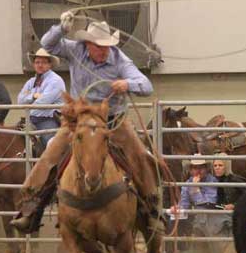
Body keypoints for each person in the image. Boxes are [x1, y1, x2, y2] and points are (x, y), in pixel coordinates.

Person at [11, 12, 159, 235]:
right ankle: (30, 208)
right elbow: (47, 45)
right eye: (98, 46)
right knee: (50, 155)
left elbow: (146, 85)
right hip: (77, 121)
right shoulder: (75, 50)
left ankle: (153, 211)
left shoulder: (119, 59)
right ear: (87, 44)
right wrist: (61, 28)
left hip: (112, 121)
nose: (103, 50)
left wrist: (128, 84)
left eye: (106, 46)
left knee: (139, 155)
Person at [17, 48, 65, 146]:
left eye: (43, 62)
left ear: (50, 64)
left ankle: (53, 161)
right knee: (14, 139)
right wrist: (33, 96)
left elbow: (43, 102)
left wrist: (29, 100)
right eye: (37, 62)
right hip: (31, 119)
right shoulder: (31, 81)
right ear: (34, 64)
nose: (40, 65)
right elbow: (20, 100)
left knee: (51, 145)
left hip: (48, 119)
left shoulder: (55, 80)